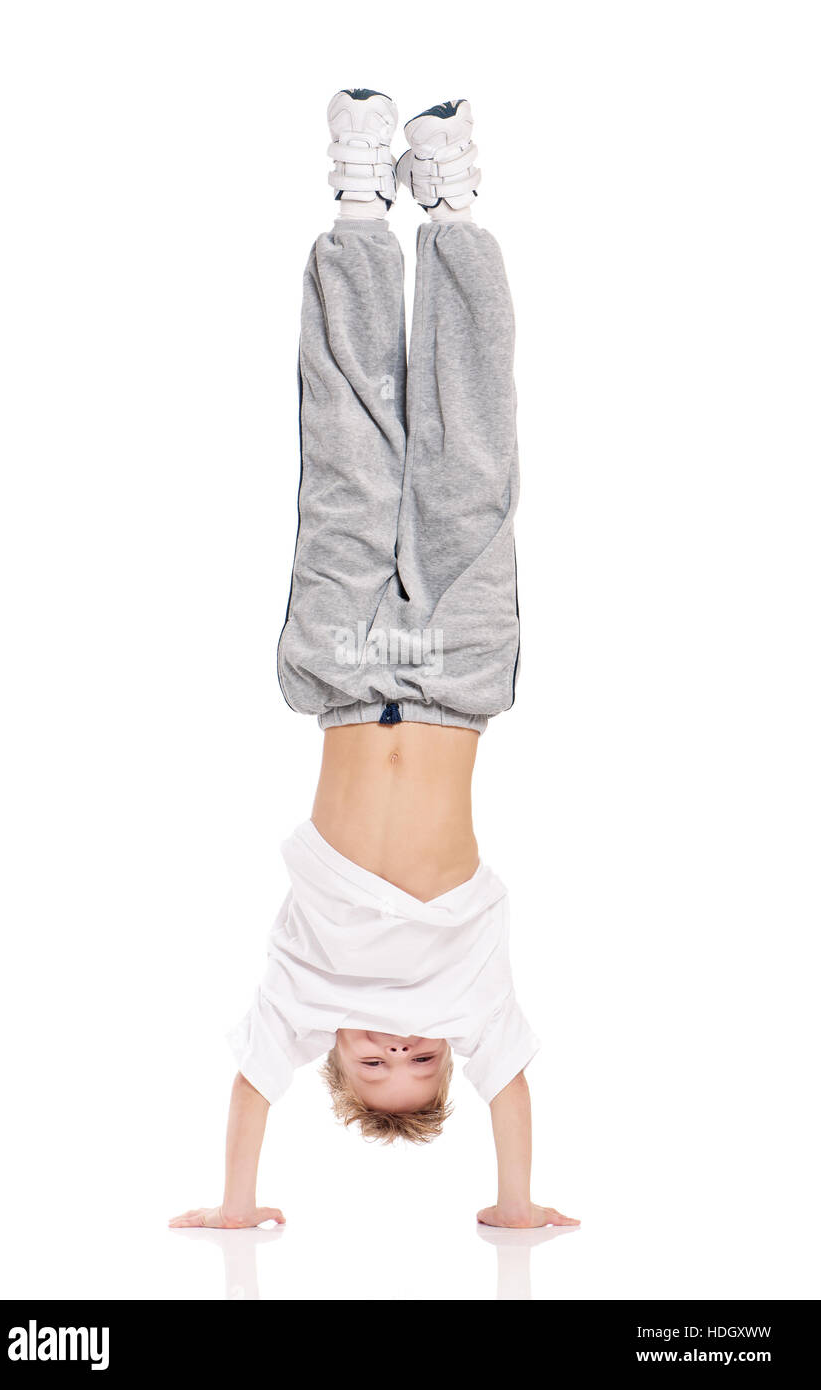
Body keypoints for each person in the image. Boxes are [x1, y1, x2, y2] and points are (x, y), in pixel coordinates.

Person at [170, 91, 578, 1233]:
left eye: (373, 1063)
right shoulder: (470, 998)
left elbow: (251, 1087)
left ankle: (358, 202)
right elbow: (511, 1092)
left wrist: (235, 1205)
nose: (395, 1043)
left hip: (346, 672)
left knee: (348, 447)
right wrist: (513, 1202)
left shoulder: (303, 996)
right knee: (473, 462)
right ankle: (448, 204)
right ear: (445, 1048)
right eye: (417, 1060)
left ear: (334, 1063)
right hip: (457, 676)